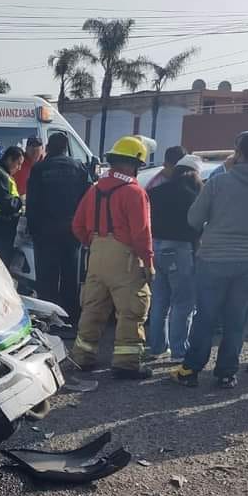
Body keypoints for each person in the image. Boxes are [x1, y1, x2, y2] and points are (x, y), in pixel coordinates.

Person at [170, 130, 248, 389]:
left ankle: (190, 370)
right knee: (237, 320)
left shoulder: (218, 183)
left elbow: (193, 219)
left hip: (213, 259)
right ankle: (226, 373)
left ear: (239, 154)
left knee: (205, 317)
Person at [70, 135, 155, 380]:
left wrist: (96, 243)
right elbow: (141, 233)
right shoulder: (134, 191)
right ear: (134, 164)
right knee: (132, 309)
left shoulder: (94, 189)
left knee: (93, 308)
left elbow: (77, 226)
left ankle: (81, 358)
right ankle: (126, 363)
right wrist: (148, 263)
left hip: (96, 254)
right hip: (124, 257)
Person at [26, 132, 92, 318]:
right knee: (70, 275)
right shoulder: (78, 168)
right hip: (71, 232)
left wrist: (33, 230)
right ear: (65, 148)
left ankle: (47, 316)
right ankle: (69, 315)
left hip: (45, 232)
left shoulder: (39, 169)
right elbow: (88, 200)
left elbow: (32, 202)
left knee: (47, 277)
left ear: (48, 148)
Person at [146, 154, 204, 361]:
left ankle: (157, 347)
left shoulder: (155, 192)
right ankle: (179, 350)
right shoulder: (193, 195)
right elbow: (198, 226)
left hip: (155, 247)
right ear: (195, 173)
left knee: (160, 300)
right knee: (183, 302)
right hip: (180, 250)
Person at [13, 134, 44, 200]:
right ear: (26, 148)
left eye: (37, 148)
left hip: (42, 205)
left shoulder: (48, 164)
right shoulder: (17, 163)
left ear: (42, 149)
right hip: (20, 204)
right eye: (32, 147)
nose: (34, 150)